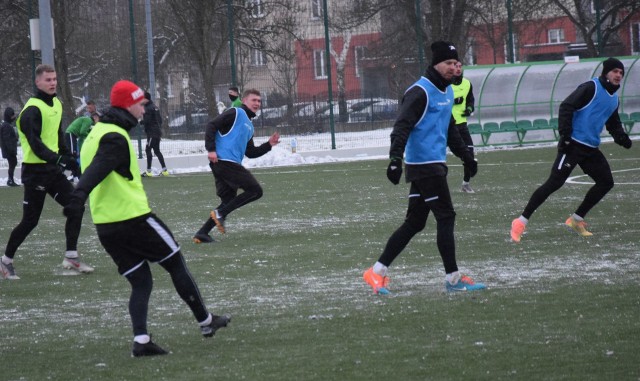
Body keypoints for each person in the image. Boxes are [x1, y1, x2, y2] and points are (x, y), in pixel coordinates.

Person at [63, 80, 230, 357]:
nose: (144, 110)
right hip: (134, 219)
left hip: (106, 226)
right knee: (176, 262)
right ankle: (205, 321)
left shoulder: (96, 131)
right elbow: (99, 168)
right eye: (141, 104)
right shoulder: (114, 136)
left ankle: (141, 341)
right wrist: (79, 193)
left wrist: (80, 194)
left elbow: (94, 167)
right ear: (128, 105)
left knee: (141, 281)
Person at [362, 41, 485, 294]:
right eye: (449, 64)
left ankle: (376, 272)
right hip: (425, 166)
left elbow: (450, 129)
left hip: (433, 165)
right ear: (436, 64)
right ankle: (453, 279)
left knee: (415, 223)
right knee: (446, 216)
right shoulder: (420, 91)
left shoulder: (447, 91)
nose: (454, 68)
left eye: (455, 63)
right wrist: (395, 159)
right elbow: (402, 126)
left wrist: (466, 157)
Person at [510, 57, 633, 243]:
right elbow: (566, 106)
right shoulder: (591, 88)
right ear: (606, 72)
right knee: (554, 183)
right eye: (615, 71)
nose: (618, 75)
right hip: (573, 145)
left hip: (590, 148)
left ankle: (576, 220)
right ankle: (520, 222)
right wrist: (565, 136)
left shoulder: (614, 99)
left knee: (606, 182)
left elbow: (613, 123)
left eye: (621, 73)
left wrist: (622, 138)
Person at [0, 64, 93, 280]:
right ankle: (6, 261)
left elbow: (57, 137)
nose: (52, 83)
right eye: (48, 79)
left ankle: (71, 256)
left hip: (52, 171)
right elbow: (36, 145)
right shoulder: (31, 110)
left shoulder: (57, 105)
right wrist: (59, 158)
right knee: (30, 221)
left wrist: (68, 157)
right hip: (35, 173)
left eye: (54, 79)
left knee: (76, 206)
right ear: (38, 82)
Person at [192, 89, 280, 243]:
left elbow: (251, 152)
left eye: (259, 101)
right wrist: (211, 149)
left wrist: (269, 145)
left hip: (224, 165)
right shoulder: (235, 112)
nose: (257, 104)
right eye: (254, 100)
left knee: (228, 199)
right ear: (244, 101)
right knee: (255, 191)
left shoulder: (249, 127)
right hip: (225, 162)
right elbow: (211, 125)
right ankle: (220, 214)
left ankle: (202, 233)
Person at [451, 61, 476, 193]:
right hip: (447, 128)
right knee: (435, 157)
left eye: (460, 66)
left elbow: (470, 99)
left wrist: (469, 109)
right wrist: (454, 101)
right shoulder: (445, 84)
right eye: (456, 66)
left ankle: (465, 184)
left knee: (470, 154)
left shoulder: (467, 83)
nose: (458, 69)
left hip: (462, 126)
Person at [140, 92, 168, 177]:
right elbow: (160, 120)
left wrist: (141, 122)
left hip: (152, 133)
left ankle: (149, 171)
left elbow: (147, 121)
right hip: (157, 132)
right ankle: (164, 170)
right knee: (156, 150)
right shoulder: (154, 107)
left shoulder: (148, 108)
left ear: (146, 99)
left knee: (148, 149)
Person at [65, 112, 100, 180]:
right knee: (72, 155)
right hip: (71, 134)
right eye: (98, 119)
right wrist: (90, 135)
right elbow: (82, 132)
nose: (98, 121)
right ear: (95, 117)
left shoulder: (89, 123)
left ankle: (74, 175)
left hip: (73, 136)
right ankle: (71, 174)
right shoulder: (88, 120)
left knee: (74, 155)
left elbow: (81, 137)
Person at [1, 107, 19, 186]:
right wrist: (12, 150)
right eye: (12, 116)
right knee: (13, 163)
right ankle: (10, 180)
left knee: (13, 163)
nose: (13, 117)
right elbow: (7, 139)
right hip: (9, 151)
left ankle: (10, 179)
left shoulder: (6, 125)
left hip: (9, 150)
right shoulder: (6, 126)